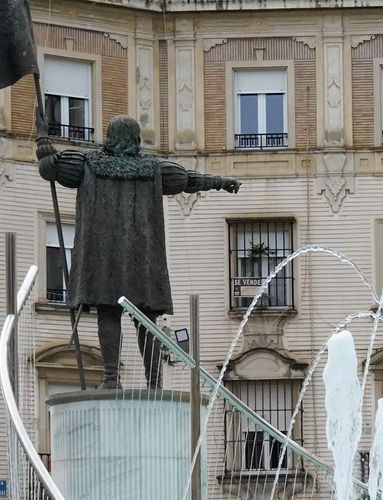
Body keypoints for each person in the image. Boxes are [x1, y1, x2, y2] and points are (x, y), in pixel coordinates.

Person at [36, 114, 240, 389]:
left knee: (108, 313)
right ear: (135, 139)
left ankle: (111, 378)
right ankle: (154, 383)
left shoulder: (87, 164)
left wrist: (42, 140)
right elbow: (189, 180)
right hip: (142, 259)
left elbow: (51, 168)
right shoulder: (153, 168)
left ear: (109, 137)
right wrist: (219, 181)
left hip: (103, 257)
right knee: (146, 319)